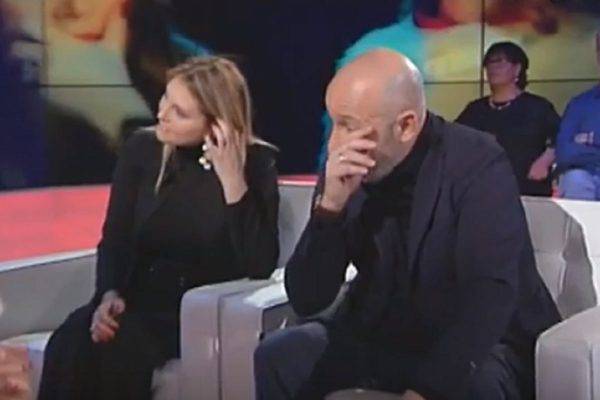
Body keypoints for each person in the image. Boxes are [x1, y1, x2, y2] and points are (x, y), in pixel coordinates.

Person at [254, 49, 560, 400]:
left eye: (349, 125)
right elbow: (307, 299)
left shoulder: (476, 161)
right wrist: (330, 211)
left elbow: (488, 294)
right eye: (333, 122)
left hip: (478, 342)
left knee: (476, 387)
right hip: (385, 330)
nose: (335, 143)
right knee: (279, 357)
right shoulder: (345, 166)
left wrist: (427, 390)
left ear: (406, 125)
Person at [38, 55, 279, 399]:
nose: (162, 113)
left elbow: (260, 264)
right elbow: (115, 239)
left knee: (118, 353)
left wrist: (231, 181)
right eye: (166, 97)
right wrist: (108, 294)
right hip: (132, 299)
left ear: (216, 123)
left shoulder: (255, 164)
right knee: (72, 339)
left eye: (180, 112)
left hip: (191, 312)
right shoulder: (142, 149)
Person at [456, 42, 559, 197]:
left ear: (517, 68)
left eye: (499, 61)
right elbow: (454, 141)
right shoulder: (475, 110)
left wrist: (544, 161)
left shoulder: (538, 107)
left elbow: (561, 138)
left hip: (526, 189)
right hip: (482, 191)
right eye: (489, 63)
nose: (493, 68)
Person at [555, 30, 600, 200]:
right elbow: (564, 153)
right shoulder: (579, 104)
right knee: (575, 180)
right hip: (586, 179)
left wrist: (589, 140)